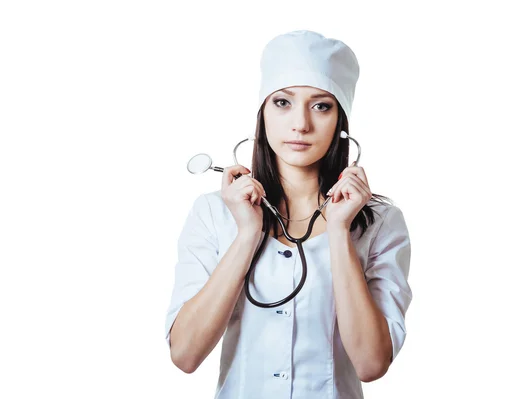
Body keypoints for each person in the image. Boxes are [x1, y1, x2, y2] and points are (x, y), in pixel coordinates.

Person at [164, 30, 412, 399]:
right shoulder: (214, 213)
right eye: (282, 103)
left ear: (341, 123)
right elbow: (184, 354)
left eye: (321, 106)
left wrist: (341, 231)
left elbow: (371, 364)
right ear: (262, 113)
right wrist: (247, 235)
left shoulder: (378, 221)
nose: (300, 124)